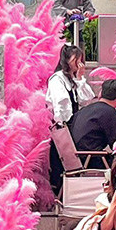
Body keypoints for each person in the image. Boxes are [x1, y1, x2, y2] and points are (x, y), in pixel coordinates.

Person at [46, 44, 95, 192]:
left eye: (81, 59)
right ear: (67, 60)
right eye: (76, 59)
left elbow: (87, 100)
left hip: (74, 126)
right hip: (63, 128)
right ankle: (59, 193)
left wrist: (81, 79)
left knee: (73, 162)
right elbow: (61, 105)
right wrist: (64, 126)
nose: (79, 63)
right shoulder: (57, 79)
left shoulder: (73, 79)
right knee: (62, 163)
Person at [70, 79, 116, 166]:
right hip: (92, 160)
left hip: (76, 158)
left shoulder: (85, 109)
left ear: (101, 92)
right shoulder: (110, 113)